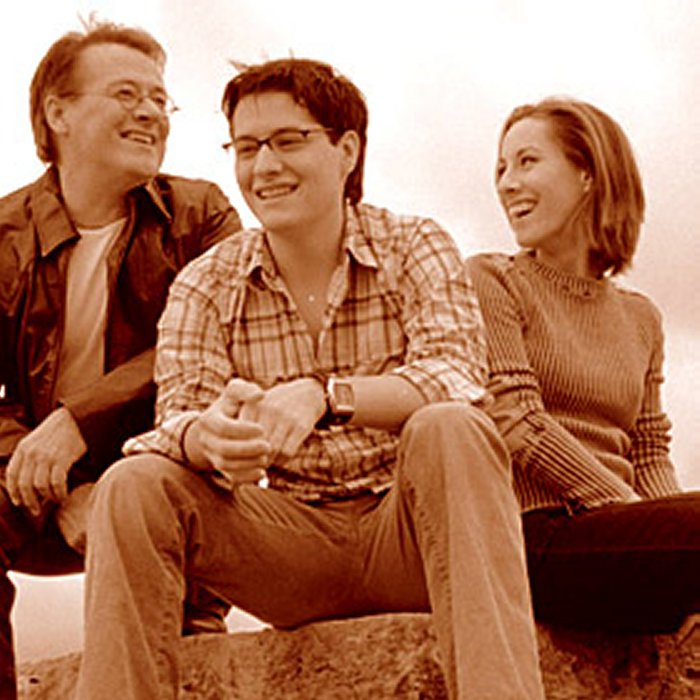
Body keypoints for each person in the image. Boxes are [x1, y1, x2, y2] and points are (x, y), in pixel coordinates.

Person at [75, 58, 546, 700]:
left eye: (288, 141)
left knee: (453, 426)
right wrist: (210, 439)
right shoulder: (207, 282)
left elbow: (455, 375)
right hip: (289, 545)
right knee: (134, 483)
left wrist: (327, 397)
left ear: (347, 150)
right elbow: (176, 419)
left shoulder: (415, 243)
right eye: (247, 148)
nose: (265, 166)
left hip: (408, 529)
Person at [0, 19, 242, 697]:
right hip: (40, 481)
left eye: (160, 99)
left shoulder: (200, 213)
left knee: (225, 421)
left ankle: (195, 622)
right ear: (59, 113)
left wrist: (79, 420)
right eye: (127, 94)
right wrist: (64, 492)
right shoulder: (3, 236)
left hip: (170, 465)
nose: (150, 113)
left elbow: (222, 341)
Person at [467, 97, 700, 635]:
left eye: (527, 162)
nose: (507, 184)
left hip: (616, 537)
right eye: (501, 168)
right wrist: (633, 516)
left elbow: (649, 453)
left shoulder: (642, 317)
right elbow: (517, 421)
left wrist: (661, 534)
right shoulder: (491, 280)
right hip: (535, 536)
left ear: (588, 174)